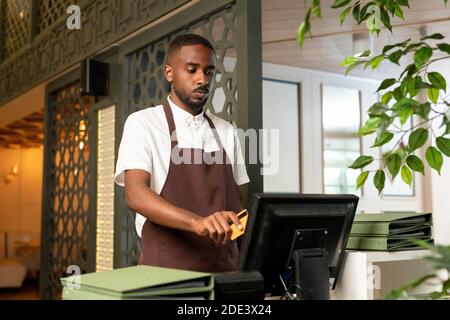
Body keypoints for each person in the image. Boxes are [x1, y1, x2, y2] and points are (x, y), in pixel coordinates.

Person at [114, 34, 249, 272]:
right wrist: (198, 222)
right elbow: (135, 195)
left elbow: (239, 206)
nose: (202, 79)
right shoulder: (142, 123)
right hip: (165, 274)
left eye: (208, 72)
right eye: (192, 69)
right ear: (169, 73)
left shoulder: (227, 131)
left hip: (224, 272)